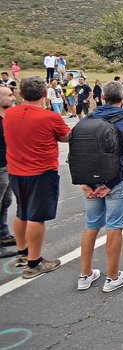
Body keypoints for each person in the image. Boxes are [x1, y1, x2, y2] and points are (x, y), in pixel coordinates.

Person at [76, 81, 123, 292]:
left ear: (101, 97)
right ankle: (113, 278)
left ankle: (85, 275)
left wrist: (83, 182)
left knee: (91, 224)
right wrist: (110, 184)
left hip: (89, 182)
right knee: (114, 227)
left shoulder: (88, 119)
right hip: (115, 182)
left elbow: (77, 153)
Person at [5, 77, 71, 278]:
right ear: (44, 95)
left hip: (16, 171)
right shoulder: (50, 117)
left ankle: (22, 253)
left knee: (22, 212)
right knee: (36, 217)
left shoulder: (9, 114)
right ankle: (34, 262)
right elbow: (66, 137)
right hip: (41, 173)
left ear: (21, 94)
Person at [0, 86, 17, 258]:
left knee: (5, 202)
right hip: (0, 167)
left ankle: (4, 235)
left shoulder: (8, 117)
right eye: (9, 95)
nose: (13, 98)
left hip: (9, 164)